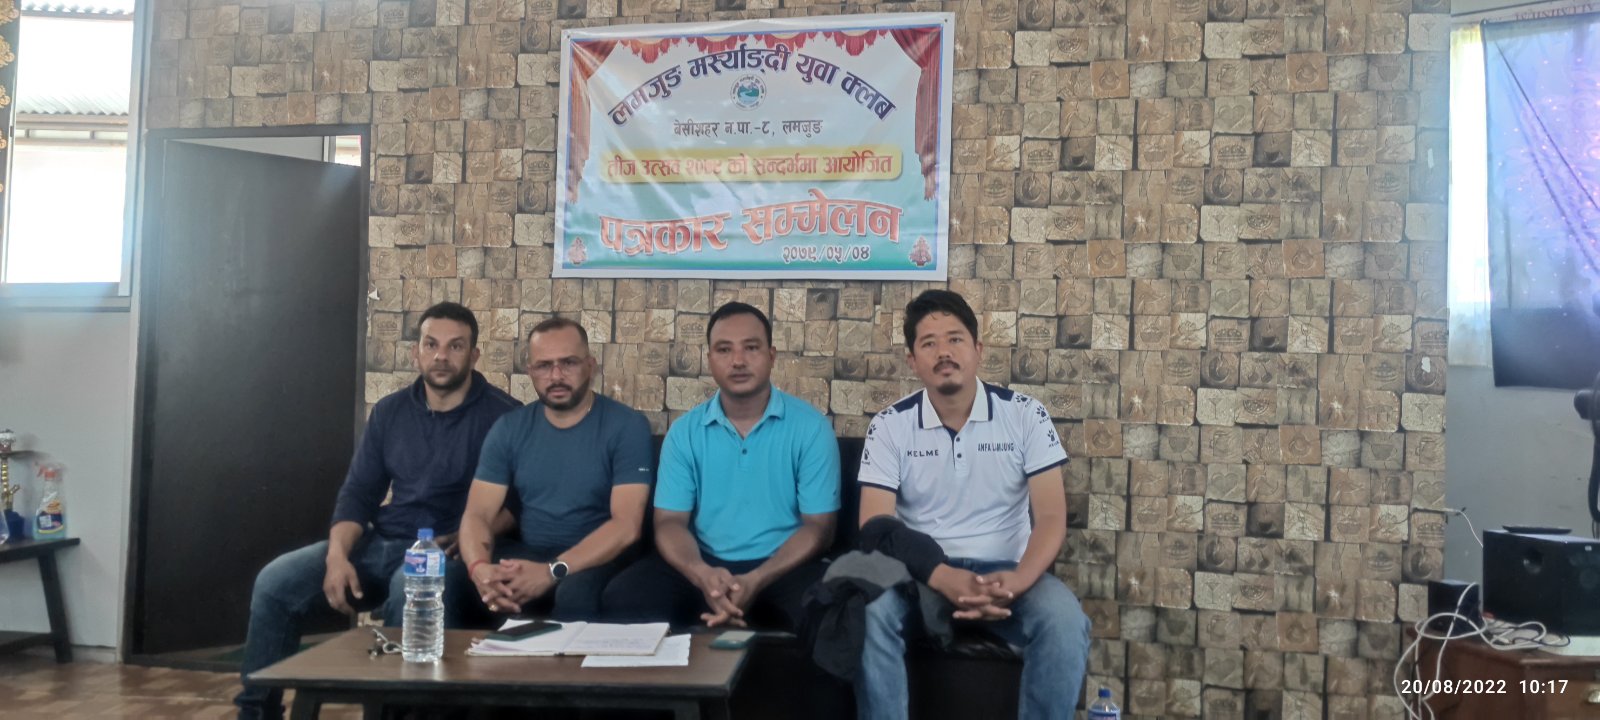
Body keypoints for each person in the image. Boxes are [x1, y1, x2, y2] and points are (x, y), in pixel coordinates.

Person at [236, 302, 520, 720]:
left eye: (455, 346)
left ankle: (399, 713)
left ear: (474, 355)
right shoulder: (390, 411)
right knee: (275, 581)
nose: (441, 356)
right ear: (415, 353)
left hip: (450, 553)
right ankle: (256, 712)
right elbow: (358, 495)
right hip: (383, 541)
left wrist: (474, 537)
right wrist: (337, 556)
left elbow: (519, 504)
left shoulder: (505, 416)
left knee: (410, 588)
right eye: (431, 344)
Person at [854, 289, 1092, 720]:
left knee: (1065, 621)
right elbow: (874, 524)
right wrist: (941, 575)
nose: (943, 352)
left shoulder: (1025, 415)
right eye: (929, 343)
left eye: (955, 339)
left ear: (978, 349)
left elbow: (1051, 517)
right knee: (869, 615)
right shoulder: (889, 425)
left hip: (1007, 573)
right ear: (912, 360)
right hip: (920, 575)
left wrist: (1017, 580)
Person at [602, 302, 840, 630]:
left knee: (834, 610)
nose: (738, 361)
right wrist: (702, 574)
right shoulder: (685, 432)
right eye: (724, 350)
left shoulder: (811, 428)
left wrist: (756, 578)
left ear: (771, 356)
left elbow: (819, 528)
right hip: (703, 560)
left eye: (751, 348)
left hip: (785, 564)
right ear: (710, 358)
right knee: (624, 597)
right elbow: (669, 522)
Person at [456, 317, 654, 623]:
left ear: (590, 366)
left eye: (569, 363)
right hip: (529, 550)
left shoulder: (627, 426)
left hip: (600, 558)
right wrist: (479, 568)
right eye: (544, 366)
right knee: (453, 579)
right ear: (530, 371)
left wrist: (552, 571)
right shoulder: (509, 428)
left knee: (574, 593)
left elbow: (626, 525)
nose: (556, 376)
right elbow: (477, 514)